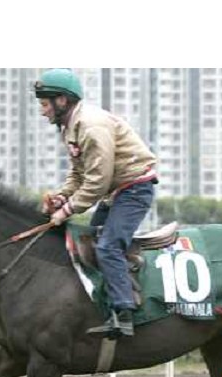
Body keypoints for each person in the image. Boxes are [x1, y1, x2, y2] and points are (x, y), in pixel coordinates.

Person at [35, 68, 158, 339]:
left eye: (44, 104)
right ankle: (107, 304)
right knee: (89, 246)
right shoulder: (70, 126)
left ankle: (125, 312)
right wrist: (61, 196)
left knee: (108, 246)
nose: (42, 111)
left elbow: (97, 181)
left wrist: (66, 210)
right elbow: (80, 174)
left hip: (134, 189)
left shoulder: (90, 127)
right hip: (115, 191)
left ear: (62, 101)